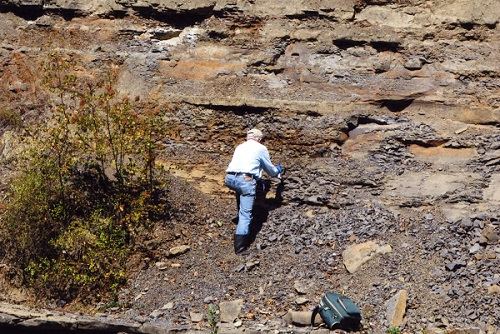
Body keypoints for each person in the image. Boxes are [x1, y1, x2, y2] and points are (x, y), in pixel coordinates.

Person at [225, 128, 283, 255]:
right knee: (246, 214)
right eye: (262, 140)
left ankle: (240, 216)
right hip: (245, 180)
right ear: (259, 139)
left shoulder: (240, 147)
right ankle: (240, 248)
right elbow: (270, 170)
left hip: (229, 179)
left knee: (241, 195)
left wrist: (257, 178)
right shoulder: (261, 148)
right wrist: (277, 171)